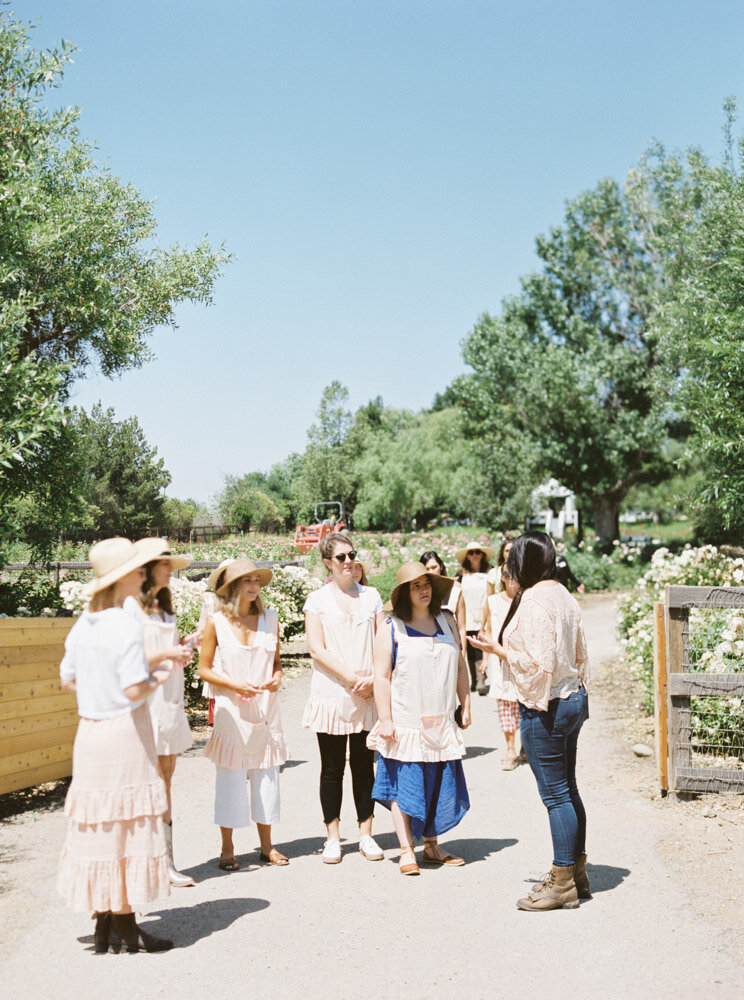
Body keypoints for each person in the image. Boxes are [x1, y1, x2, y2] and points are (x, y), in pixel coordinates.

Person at [57, 537, 178, 954]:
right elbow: (132, 689)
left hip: (90, 733)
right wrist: (158, 676)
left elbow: (68, 679)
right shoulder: (125, 624)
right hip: (124, 732)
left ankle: (106, 922)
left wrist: (100, 689)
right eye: (137, 567)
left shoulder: (84, 623)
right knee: (127, 825)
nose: (144, 572)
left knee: (102, 825)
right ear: (123, 576)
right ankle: (125, 925)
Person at [469, 531, 590, 911]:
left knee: (555, 796)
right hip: (572, 696)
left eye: (512, 561)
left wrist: (497, 650)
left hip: (547, 705)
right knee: (568, 789)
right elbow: (579, 652)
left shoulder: (536, 600)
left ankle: (563, 880)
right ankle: (576, 872)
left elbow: (538, 665)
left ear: (523, 562)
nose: (508, 568)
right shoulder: (564, 594)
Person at [367, 562, 471, 875]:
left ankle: (432, 846)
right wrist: (385, 719)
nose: (424, 589)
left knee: (438, 782)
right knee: (405, 786)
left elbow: (460, 665)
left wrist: (465, 704)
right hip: (405, 720)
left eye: (427, 583)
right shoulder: (391, 626)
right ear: (403, 593)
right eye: (416, 586)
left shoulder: (447, 619)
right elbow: (381, 676)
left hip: (440, 719)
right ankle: (405, 850)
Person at [198, 559, 288, 869]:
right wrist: (234, 684)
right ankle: (227, 848)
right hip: (231, 710)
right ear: (232, 586)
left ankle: (267, 846)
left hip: (265, 708)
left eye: (256, 580)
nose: (253, 585)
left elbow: (276, 664)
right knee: (231, 779)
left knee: (266, 778)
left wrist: (276, 678)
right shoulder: (217, 622)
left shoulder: (270, 619)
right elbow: (204, 669)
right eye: (246, 580)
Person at [303, 532, 384, 864]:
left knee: (365, 767)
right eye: (341, 557)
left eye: (352, 555)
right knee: (332, 767)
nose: (349, 561)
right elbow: (315, 648)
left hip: (367, 690)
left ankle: (366, 834)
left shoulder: (373, 596)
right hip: (333, 692)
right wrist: (352, 679)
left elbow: (383, 641)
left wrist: (373, 680)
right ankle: (333, 837)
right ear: (327, 562)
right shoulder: (317, 600)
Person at [124, 541, 195, 887]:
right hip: (144, 700)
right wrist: (167, 652)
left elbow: (168, 654)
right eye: (165, 564)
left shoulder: (167, 610)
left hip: (170, 699)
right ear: (149, 569)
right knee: (146, 780)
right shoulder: (130, 609)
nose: (171, 569)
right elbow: (128, 661)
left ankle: (166, 862)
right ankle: (144, 861)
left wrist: (182, 652)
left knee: (166, 777)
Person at [482, 565, 521, 769]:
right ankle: (510, 749)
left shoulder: (527, 599)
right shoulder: (492, 601)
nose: (511, 578)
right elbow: (487, 630)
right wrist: (485, 659)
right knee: (505, 705)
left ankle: (525, 745)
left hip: (522, 659)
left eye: (515, 573)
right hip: (499, 660)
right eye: (506, 574)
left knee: (526, 702)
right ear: (502, 578)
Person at [455, 541, 495, 695]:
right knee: (471, 648)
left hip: (485, 612)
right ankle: (474, 678)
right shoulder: (461, 574)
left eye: (477, 552)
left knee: (481, 646)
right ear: (467, 556)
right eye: (471, 553)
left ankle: (481, 680)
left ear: (482, 554)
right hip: (468, 614)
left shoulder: (489, 571)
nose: (474, 555)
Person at [420, 549, 461, 616]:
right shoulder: (421, 591)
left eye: (434, 567)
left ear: (441, 566)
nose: (431, 572)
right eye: (427, 569)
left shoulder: (454, 588)